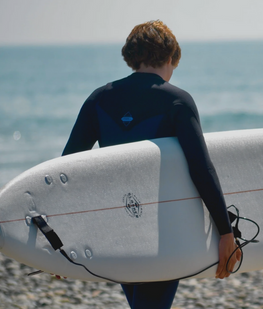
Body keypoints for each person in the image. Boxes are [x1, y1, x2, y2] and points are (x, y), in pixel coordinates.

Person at [62, 20, 241, 308]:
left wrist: (62, 240)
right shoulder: (177, 101)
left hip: (116, 228)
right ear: (169, 58)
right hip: (162, 231)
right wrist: (225, 231)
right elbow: (201, 169)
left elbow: (68, 170)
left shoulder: (98, 99)